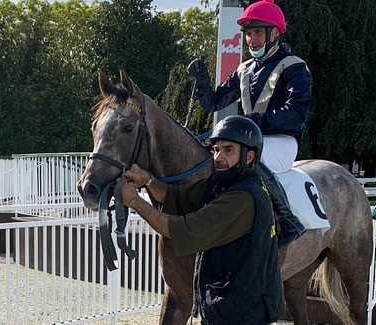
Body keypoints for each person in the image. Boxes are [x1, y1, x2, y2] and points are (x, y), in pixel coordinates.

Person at [120, 116, 284, 325]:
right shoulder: (221, 184)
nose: (218, 157)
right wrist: (148, 180)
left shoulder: (242, 197)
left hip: (241, 312)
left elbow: (185, 230)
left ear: (249, 156)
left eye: (228, 150)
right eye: (215, 150)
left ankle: (290, 222)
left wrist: (134, 202)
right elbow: (175, 196)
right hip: (226, 306)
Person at [186, 0, 310, 247]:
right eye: (248, 34)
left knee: (251, 160)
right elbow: (213, 102)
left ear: (274, 33)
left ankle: (288, 220)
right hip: (249, 139)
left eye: (257, 33)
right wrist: (201, 80)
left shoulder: (295, 66)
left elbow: (295, 113)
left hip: (281, 141)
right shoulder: (244, 69)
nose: (251, 39)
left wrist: (250, 122)